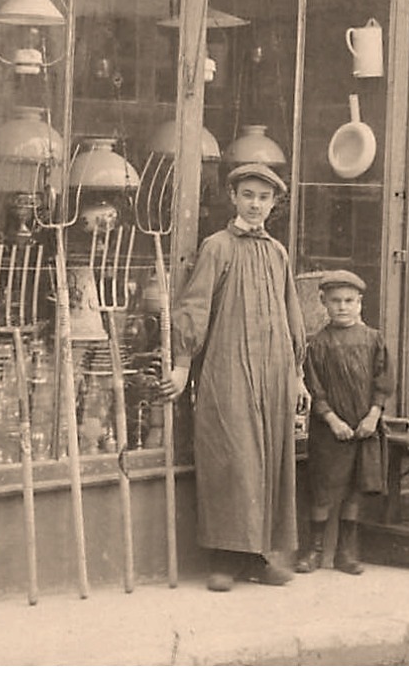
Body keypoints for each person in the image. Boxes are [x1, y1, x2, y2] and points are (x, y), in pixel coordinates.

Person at [160, 163, 308, 591]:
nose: (255, 204)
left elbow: (291, 314)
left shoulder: (277, 253)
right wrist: (183, 364)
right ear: (233, 197)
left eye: (264, 198)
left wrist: (296, 375)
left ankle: (258, 557)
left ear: (274, 204)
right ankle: (224, 557)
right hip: (228, 370)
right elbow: (195, 307)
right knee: (233, 459)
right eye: (248, 195)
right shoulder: (217, 247)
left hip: (274, 372)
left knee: (268, 461)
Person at [296, 270, 391, 576]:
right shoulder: (319, 345)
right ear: (324, 302)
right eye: (335, 301)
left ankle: (345, 552)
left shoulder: (374, 340)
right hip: (330, 430)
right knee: (323, 490)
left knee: (354, 490)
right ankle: (314, 550)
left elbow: (384, 380)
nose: (343, 307)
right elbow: (315, 387)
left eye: (349, 301)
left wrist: (373, 415)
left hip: (364, 427)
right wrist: (331, 419)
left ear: (360, 303)